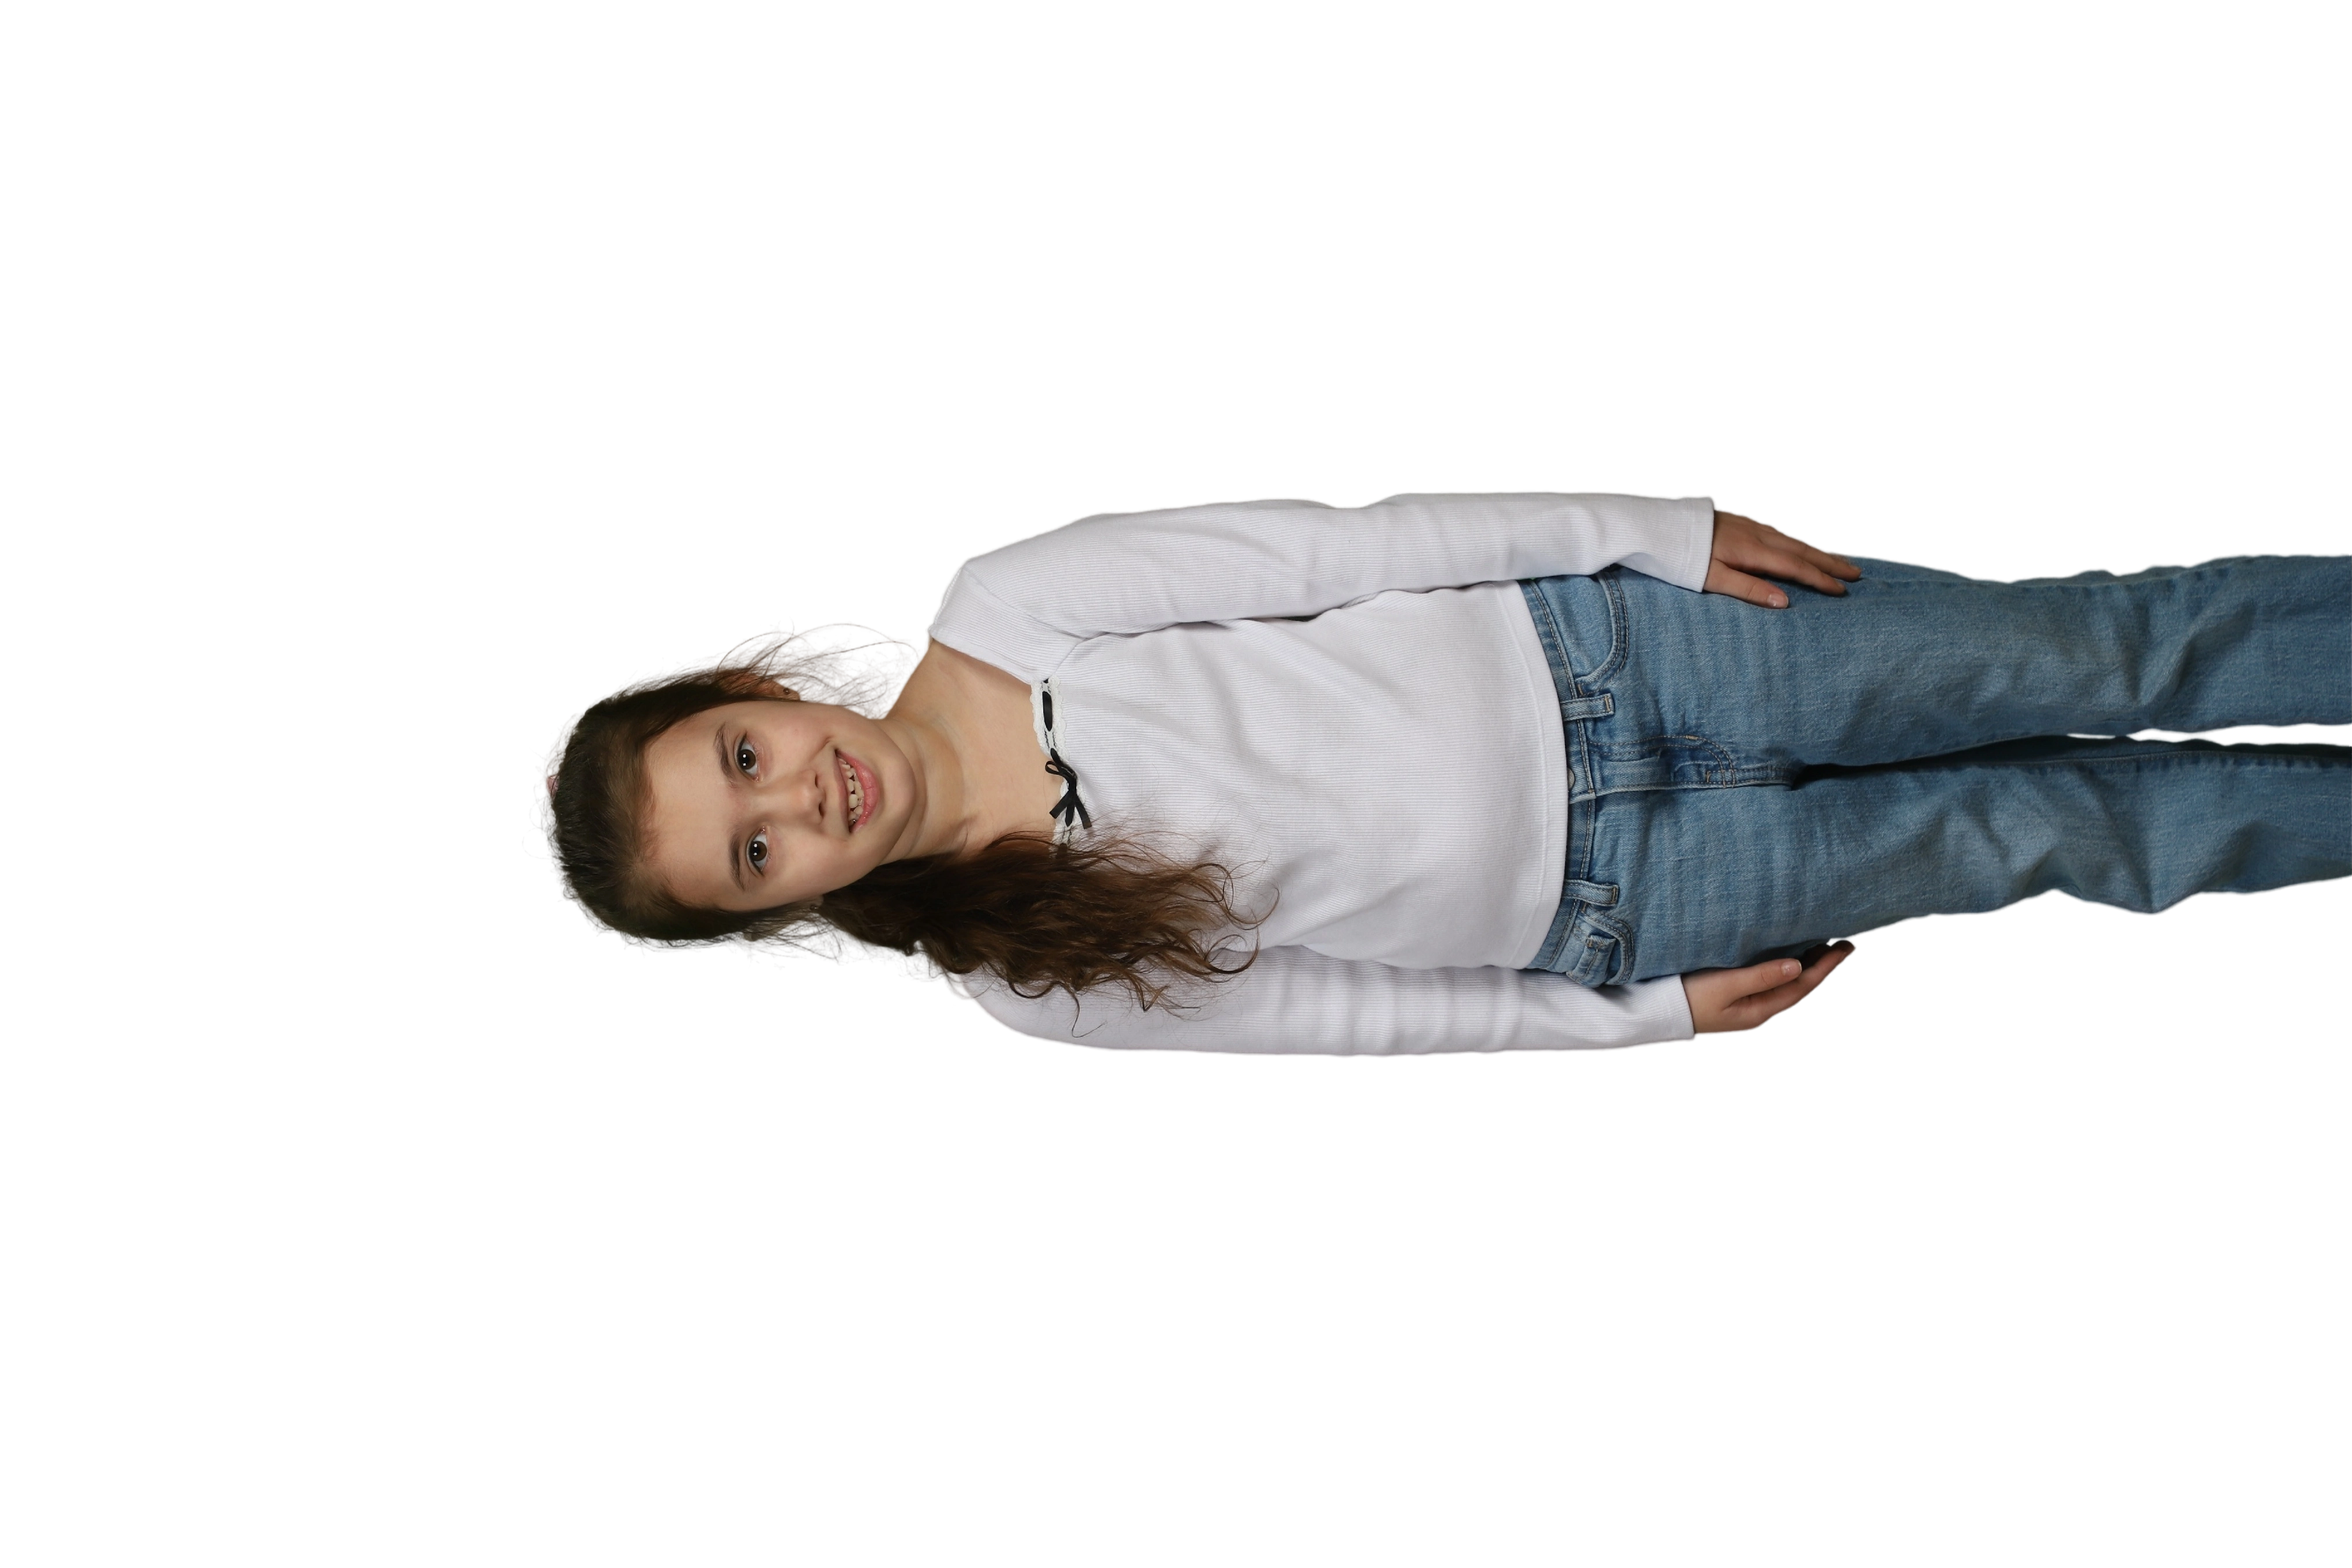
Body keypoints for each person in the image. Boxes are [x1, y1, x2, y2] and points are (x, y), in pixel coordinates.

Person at [523, 489, 2352, 1057]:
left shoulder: (1015, 608)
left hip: (1635, 655)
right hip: (1641, 906)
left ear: (755, 691)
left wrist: (1641, 532)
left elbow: (1339, 549)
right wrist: (1637, 1020)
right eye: (753, 853)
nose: (798, 802)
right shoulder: (1030, 981)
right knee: (2068, 828)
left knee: (2102, 655)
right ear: (785, 915)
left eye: (745, 760)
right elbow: (1360, 1016)